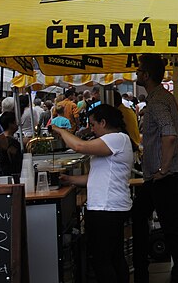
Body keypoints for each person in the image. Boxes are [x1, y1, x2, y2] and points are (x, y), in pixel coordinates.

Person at [53, 105, 134, 283]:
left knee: (102, 260)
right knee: (114, 257)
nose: (91, 129)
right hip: (110, 207)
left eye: (93, 124)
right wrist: (70, 180)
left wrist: (59, 130)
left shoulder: (116, 138)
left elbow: (79, 146)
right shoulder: (117, 140)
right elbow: (95, 177)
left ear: (103, 123)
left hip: (106, 208)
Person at [131, 54, 178, 283]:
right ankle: (142, 272)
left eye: (138, 70)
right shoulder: (161, 97)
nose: (136, 73)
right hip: (161, 175)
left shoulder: (156, 101)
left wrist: (164, 168)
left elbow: (170, 134)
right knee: (140, 215)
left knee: (173, 229)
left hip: (165, 175)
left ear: (146, 75)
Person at [0, 113, 22, 178]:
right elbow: (16, 162)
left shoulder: (1, 140)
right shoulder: (12, 142)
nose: (17, 124)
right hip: (12, 175)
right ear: (10, 124)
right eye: (15, 122)